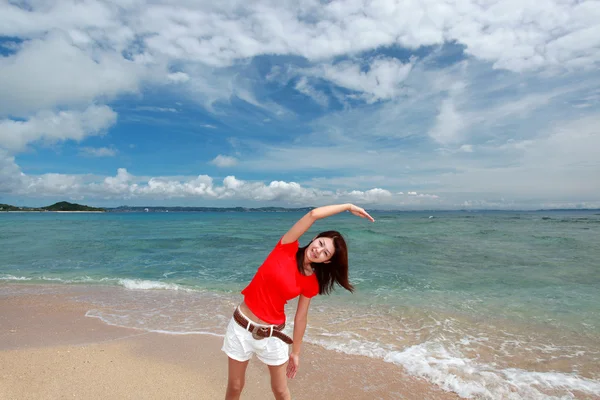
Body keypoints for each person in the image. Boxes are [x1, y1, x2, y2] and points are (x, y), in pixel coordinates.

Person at [222, 203, 375, 400]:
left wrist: (296, 352)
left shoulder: (311, 282)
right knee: (235, 386)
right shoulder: (287, 245)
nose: (319, 251)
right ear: (314, 239)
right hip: (241, 327)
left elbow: (301, 317)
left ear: (326, 261)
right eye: (320, 243)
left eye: (326, 253)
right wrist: (347, 206)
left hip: (273, 336)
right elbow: (313, 214)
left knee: (281, 391)